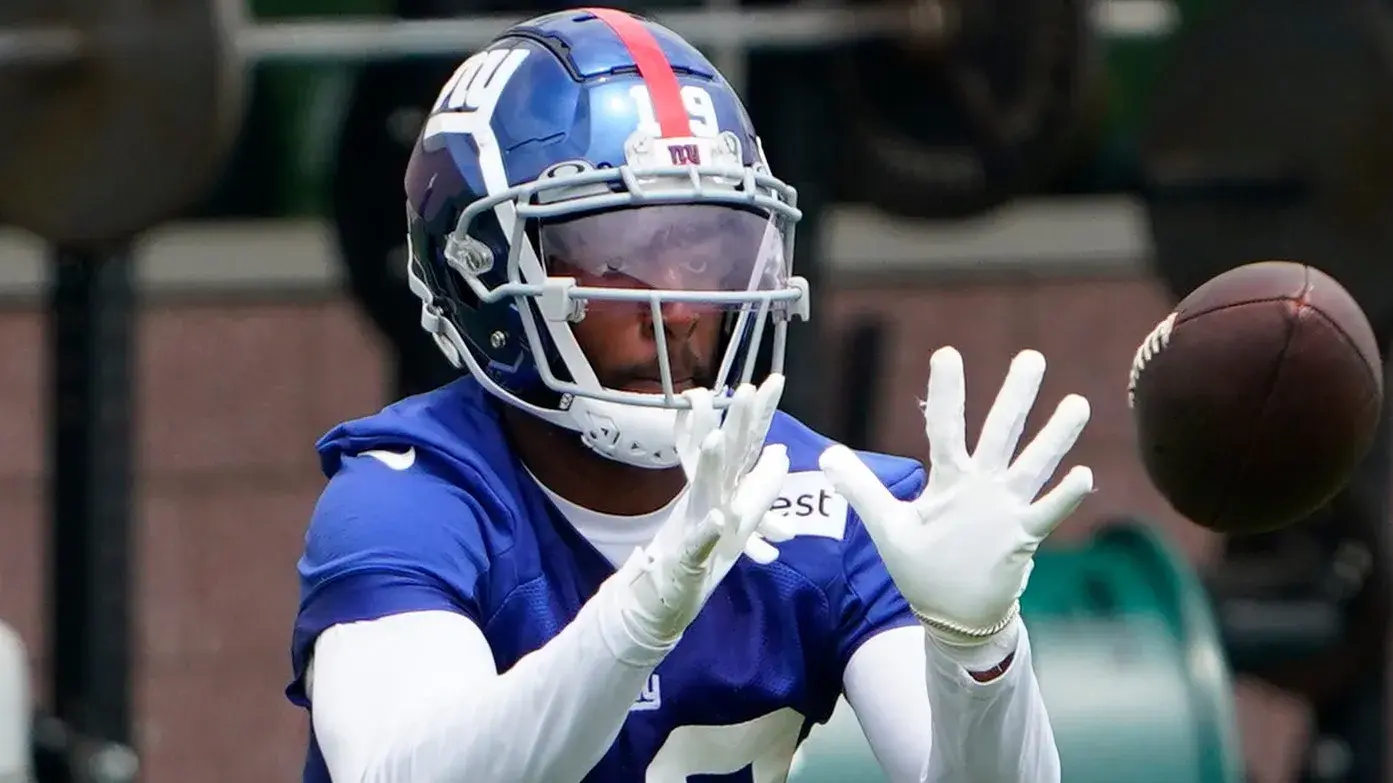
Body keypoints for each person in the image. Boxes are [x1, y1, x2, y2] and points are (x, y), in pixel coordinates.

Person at [285, 8, 1095, 782]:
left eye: (704, 254)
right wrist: (631, 623)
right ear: (484, 273)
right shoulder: (409, 498)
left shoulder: (827, 501)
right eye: (615, 259)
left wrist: (978, 654)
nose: (674, 308)